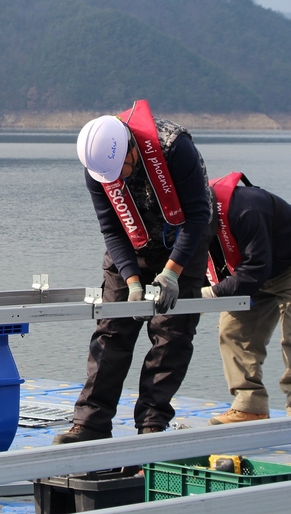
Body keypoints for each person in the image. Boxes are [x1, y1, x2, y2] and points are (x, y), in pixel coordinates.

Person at [55, 100, 215, 443]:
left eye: (120, 171)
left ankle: (151, 424)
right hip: (132, 237)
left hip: (184, 237)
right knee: (112, 328)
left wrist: (171, 274)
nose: (115, 179)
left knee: (171, 332)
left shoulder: (175, 148)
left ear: (131, 148)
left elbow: (199, 216)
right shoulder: (98, 166)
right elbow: (111, 228)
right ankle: (91, 423)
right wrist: (131, 281)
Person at [202, 172, 291, 424]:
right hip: (249, 268)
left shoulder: (247, 209)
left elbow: (256, 269)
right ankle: (250, 404)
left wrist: (211, 293)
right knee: (232, 331)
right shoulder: (191, 219)